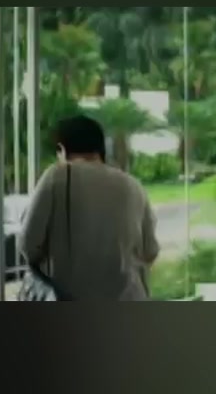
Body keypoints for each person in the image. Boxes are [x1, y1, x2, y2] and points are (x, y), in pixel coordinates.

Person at [18, 115, 160, 301]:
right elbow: (150, 250)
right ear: (101, 149)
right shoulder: (133, 185)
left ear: (62, 149)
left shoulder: (57, 176)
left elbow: (28, 244)